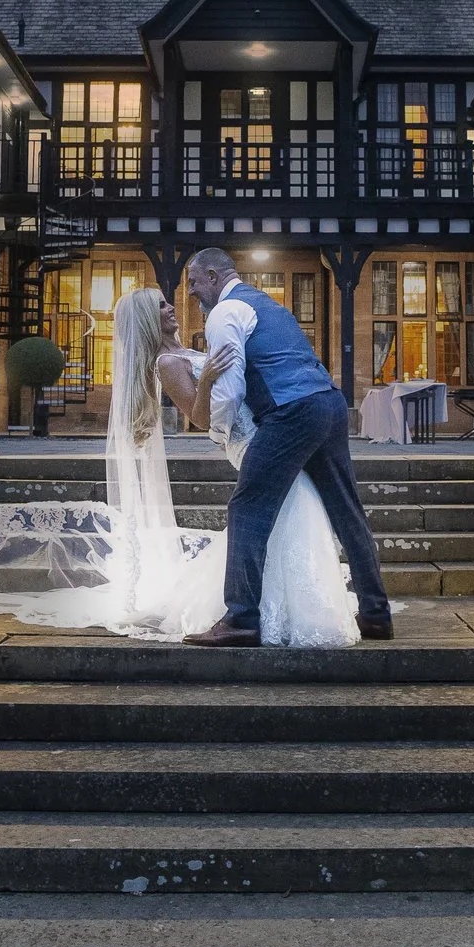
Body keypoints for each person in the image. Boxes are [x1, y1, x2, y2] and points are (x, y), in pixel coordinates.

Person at [0, 283, 363, 646]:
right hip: (248, 442)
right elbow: (199, 417)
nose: (172, 308)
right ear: (149, 320)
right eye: (162, 306)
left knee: (293, 511)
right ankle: (269, 610)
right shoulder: (167, 362)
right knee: (285, 510)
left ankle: (281, 606)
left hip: (268, 432)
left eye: (168, 302)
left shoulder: (184, 349)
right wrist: (207, 377)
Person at [180, 247, 393, 647]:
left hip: (291, 411)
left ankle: (242, 618)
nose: (190, 292)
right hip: (329, 402)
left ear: (212, 275)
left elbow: (229, 388)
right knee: (347, 510)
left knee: (248, 507)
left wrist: (219, 432)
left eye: (193, 282)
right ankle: (376, 614)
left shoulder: (225, 314)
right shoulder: (267, 304)